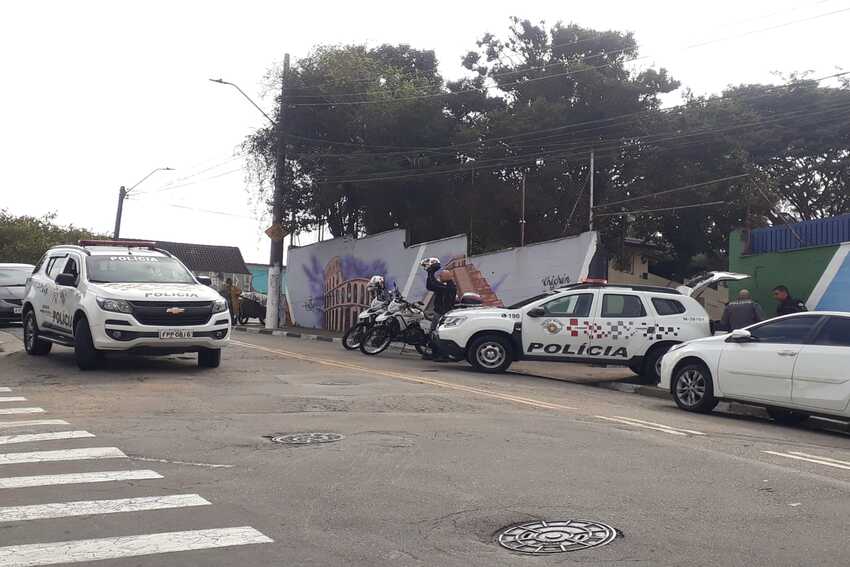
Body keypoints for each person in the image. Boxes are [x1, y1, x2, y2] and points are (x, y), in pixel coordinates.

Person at [421, 258, 457, 362]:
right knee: (434, 333)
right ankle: (434, 354)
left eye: (441, 276)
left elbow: (432, 285)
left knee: (437, 334)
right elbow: (431, 285)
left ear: (446, 277)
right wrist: (430, 273)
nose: (439, 277)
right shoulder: (447, 285)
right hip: (440, 312)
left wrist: (430, 272)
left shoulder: (448, 287)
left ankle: (442, 355)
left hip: (442, 314)